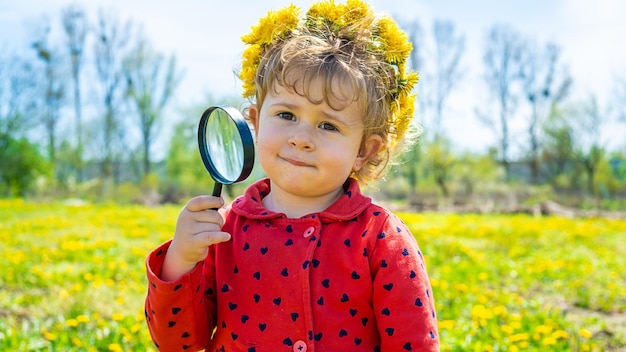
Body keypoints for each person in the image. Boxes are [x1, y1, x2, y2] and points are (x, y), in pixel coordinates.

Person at [144, 0, 439, 351]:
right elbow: (179, 344)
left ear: (364, 151)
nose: (300, 137)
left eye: (328, 125)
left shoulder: (382, 240)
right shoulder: (221, 234)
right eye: (286, 115)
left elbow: (414, 343)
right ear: (254, 121)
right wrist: (179, 260)